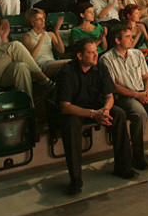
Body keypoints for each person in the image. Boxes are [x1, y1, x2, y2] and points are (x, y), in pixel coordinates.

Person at [56, 38, 135, 196]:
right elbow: (65, 106)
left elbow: (109, 96)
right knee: (70, 125)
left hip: (97, 107)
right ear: (79, 55)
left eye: (96, 51)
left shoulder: (101, 67)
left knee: (118, 113)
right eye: (90, 52)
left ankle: (123, 167)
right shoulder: (67, 72)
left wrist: (105, 110)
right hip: (75, 111)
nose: (96, 55)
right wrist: (93, 114)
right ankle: (76, 179)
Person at [100, 25, 148, 169]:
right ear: (117, 40)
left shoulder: (137, 54)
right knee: (140, 114)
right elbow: (113, 86)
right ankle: (138, 156)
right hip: (124, 96)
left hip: (142, 91)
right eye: (128, 37)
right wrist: (137, 95)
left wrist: (147, 92)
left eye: (132, 36)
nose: (132, 39)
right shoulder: (106, 59)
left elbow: (147, 77)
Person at [22, 8, 69, 77]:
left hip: (51, 62)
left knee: (70, 65)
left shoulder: (50, 34)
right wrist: (41, 39)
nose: (43, 21)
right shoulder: (27, 37)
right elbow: (31, 57)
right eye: (39, 19)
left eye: (43, 18)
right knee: (67, 64)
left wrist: (56, 32)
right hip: (39, 65)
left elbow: (61, 51)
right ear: (32, 22)